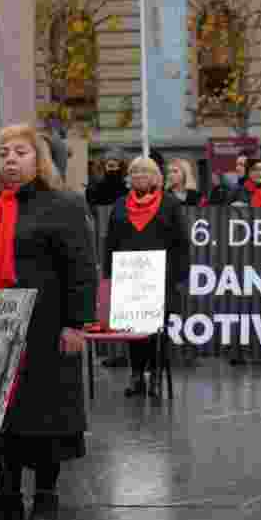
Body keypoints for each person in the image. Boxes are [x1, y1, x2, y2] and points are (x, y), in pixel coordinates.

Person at [0, 123, 97, 520]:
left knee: (46, 413)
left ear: (39, 159)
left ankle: (46, 495)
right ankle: (7, 494)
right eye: (3, 154)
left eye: (20, 152)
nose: (10, 160)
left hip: (46, 327)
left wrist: (76, 323)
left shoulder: (64, 205)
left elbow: (82, 269)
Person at [103, 156, 190, 398]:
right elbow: (110, 242)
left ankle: (156, 375)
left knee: (157, 332)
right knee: (135, 330)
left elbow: (182, 243)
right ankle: (137, 375)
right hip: (129, 279)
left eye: (145, 171)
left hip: (161, 279)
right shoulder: (120, 205)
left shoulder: (170, 204)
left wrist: (179, 277)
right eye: (134, 172)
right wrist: (109, 276)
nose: (139, 175)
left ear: (156, 177)